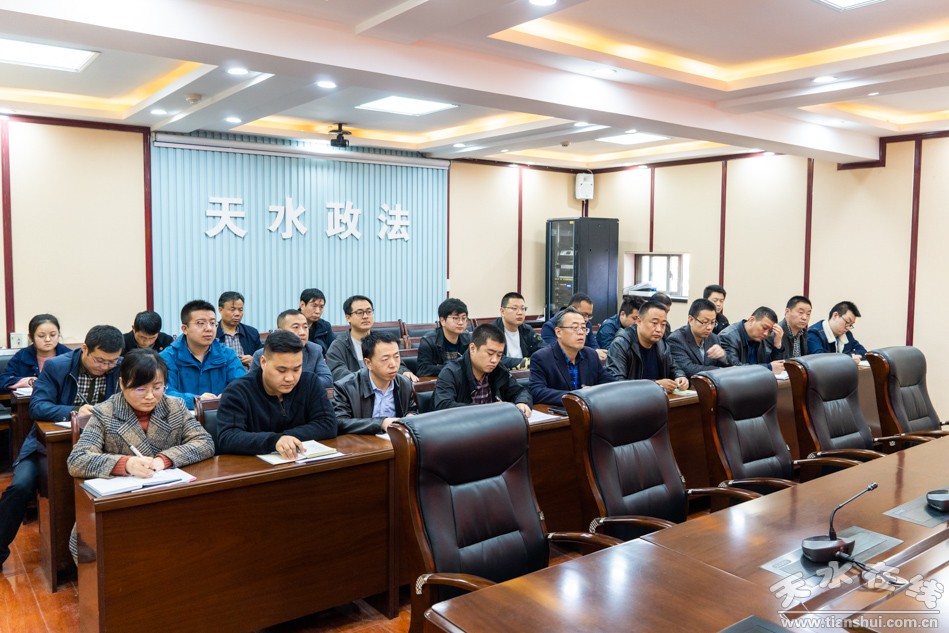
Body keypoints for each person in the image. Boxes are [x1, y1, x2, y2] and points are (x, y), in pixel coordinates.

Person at [65, 349, 214, 560]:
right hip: (121, 504)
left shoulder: (175, 406)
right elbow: (77, 460)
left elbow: (204, 442)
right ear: (122, 383)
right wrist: (125, 464)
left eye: (157, 387)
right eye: (140, 388)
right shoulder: (105, 413)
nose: (150, 396)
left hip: (169, 496)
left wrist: (165, 459)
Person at [0, 325, 123, 568]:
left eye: (112, 362)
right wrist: (75, 411)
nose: (105, 367)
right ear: (85, 349)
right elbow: (37, 407)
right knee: (21, 485)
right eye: (100, 360)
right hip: (48, 444)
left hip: (102, 446)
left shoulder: (120, 367)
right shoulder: (57, 366)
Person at [216, 330, 337, 457]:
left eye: (296, 369)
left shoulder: (310, 382)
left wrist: (285, 438)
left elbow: (328, 424)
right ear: (263, 362)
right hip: (255, 465)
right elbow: (228, 437)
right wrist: (274, 441)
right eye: (281, 370)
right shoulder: (238, 391)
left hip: (303, 461)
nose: (290, 378)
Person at [161, 300, 246, 409]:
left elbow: (243, 386)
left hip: (222, 414)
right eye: (200, 323)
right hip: (181, 417)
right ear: (185, 329)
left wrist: (230, 396)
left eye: (212, 323)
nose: (209, 329)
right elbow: (164, 393)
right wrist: (195, 400)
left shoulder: (227, 355)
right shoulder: (167, 357)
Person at [433, 324, 532, 416]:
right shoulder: (451, 372)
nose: (494, 360)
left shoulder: (499, 369)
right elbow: (444, 406)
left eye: (499, 355)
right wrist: (488, 409)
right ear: (472, 348)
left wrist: (522, 402)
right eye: (490, 353)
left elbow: (520, 391)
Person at [334, 331, 418, 435]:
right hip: (361, 443)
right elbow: (340, 422)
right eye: (385, 359)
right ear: (368, 363)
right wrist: (381, 423)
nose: (393, 364)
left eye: (396, 357)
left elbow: (412, 410)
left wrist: (410, 417)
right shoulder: (346, 387)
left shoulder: (405, 383)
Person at [529, 308, 616, 405]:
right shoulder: (542, 358)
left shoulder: (591, 355)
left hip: (588, 411)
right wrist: (576, 396)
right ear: (558, 332)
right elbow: (537, 392)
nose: (581, 332)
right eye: (575, 327)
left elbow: (611, 384)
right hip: (559, 411)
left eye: (583, 328)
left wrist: (593, 393)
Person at [325, 295, 417, 383]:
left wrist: (404, 372)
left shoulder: (381, 341)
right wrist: (368, 382)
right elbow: (338, 373)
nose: (365, 316)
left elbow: (397, 364)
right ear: (348, 317)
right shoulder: (339, 345)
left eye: (369, 311)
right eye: (360, 313)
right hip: (355, 391)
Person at [605, 301, 688, 393]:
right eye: (654, 323)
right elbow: (616, 383)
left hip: (657, 399)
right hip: (630, 400)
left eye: (663, 324)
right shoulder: (621, 344)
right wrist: (655, 385)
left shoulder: (662, 345)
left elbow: (674, 368)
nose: (659, 329)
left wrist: (680, 377)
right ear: (639, 322)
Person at [250, 309, 333, 389]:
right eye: (296, 327)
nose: (302, 333)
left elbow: (327, 380)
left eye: (305, 327)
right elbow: (252, 384)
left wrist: (293, 383)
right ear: (280, 332)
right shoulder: (262, 354)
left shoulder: (314, 350)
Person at [0, 314, 70, 389]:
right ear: (31, 337)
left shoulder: (69, 356)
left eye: (53, 335)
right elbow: (3, 380)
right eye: (41, 336)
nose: (48, 339)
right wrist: (28, 381)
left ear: (58, 334)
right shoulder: (22, 356)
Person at [667, 298, 730, 377]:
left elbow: (728, 366)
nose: (709, 327)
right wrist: (719, 370)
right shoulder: (676, 339)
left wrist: (723, 356)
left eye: (713, 322)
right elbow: (688, 369)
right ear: (691, 320)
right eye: (705, 322)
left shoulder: (714, 338)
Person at [719, 306, 786, 375]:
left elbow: (776, 367)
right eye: (764, 327)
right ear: (751, 320)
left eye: (770, 331)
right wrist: (768, 367)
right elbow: (733, 368)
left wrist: (777, 344)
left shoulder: (762, 337)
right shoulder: (728, 336)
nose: (766, 333)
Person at [541, 292, 606, 361]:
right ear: (572, 309)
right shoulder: (550, 327)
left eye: (589, 316)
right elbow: (554, 353)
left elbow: (594, 346)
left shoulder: (587, 324)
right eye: (583, 314)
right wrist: (592, 353)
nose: (586, 319)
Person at [417, 298, 471, 377]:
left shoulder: (469, 339)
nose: (461, 322)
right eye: (455, 318)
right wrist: (454, 368)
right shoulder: (428, 341)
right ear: (442, 321)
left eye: (463, 318)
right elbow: (423, 370)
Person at [494, 291, 545, 369]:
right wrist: (527, 362)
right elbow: (496, 359)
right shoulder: (492, 332)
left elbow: (544, 349)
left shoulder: (527, 330)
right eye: (514, 308)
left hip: (527, 374)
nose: (520, 312)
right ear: (502, 311)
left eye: (523, 308)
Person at [216, 291, 262, 368]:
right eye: (232, 309)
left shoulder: (252, 333)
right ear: (220, 310)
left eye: (240, 310)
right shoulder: (212, 333)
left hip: (247, 374)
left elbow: (264, 359)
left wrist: (253, 360)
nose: (237, 314)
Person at [300, 288, 335, 355]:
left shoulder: (325, 326)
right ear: (302, 305)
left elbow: (334, 351)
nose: (318, 311)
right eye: (314, 306)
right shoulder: (291, 323)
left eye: (321, 307)